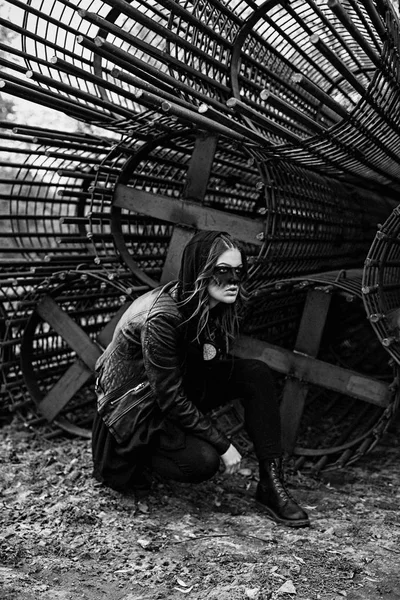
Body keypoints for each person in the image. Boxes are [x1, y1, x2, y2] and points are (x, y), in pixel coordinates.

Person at [92, 230, 309, 527]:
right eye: (222, 271)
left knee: (255, 374)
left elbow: (202, 364)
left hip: (169, 393)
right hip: (133, 415)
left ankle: (271, 484)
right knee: (204, 462)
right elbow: (169, 397)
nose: (233, 281)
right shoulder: (163, 318)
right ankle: (142, 459)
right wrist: (223, 444)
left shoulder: (208, 305)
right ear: (200, 271)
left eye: (238, 272)